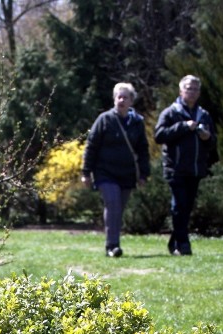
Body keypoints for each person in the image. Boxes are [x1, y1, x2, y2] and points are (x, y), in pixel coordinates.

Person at [81, 82, 150, 257]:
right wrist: (86, 172)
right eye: (118, 96)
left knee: (119, 209)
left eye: (125, 97)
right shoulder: (104, 119)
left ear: (131, 101)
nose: (121, 100)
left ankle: (113, 243)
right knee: (112, 204)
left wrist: (144, 174)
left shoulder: (137, 122)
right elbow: (91, 146)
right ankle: (112, 246)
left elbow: (143, 149)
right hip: (105, 172)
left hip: (127, 174)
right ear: (114, 99)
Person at [154, 75, 216, 256]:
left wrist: (207, 137)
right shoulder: (171, 112)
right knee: (178, 206)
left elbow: (213, 142)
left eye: (196, 89)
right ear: (181, 91)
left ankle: (174, 242)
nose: (192, 92)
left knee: (186, 208)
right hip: (175, 168)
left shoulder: (203, 115)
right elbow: (159, 135)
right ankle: (183, 244)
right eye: (189, 88)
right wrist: (183, 126)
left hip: (195, 169)